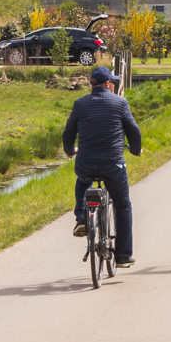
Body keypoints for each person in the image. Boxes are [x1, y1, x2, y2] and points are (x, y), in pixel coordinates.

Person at [63, 66, 143, 268]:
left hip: (85, 163)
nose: (114, 85)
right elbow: (134, 131)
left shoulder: (80, 104)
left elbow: (68, 132)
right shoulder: (120, 102)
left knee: (82, 180)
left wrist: (70, 150)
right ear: (108, 84)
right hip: (113, 165)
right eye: (112, 82)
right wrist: (136, 150)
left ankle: (81, 217)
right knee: (123, 205)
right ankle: (123, 255)